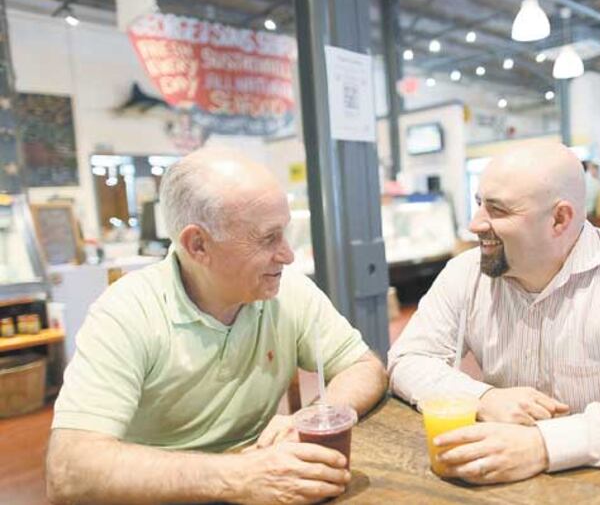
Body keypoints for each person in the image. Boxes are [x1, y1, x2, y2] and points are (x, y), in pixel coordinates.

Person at [46, 147, 388, 505]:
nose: (288, 254)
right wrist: (239, 477)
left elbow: (363, 367)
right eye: (268, 238)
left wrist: (312, 415)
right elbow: (69, 471)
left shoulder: (288, 290)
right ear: (198, 245)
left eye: (284, 234)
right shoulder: (127, 312)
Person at [388, 142, 600, 484]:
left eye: (497, 211)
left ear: (560, 218)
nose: (474, 224)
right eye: (480, 204)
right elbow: (407, 359)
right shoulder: (465, 272)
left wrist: (543, 445)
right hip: (494, 474)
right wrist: (482, 398)